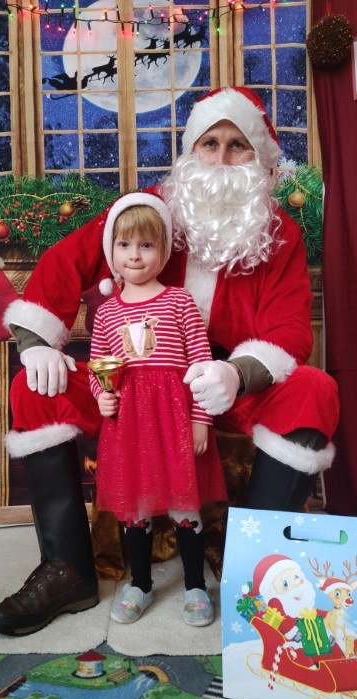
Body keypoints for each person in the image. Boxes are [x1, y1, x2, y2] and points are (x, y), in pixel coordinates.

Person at [0, 85, 340, 637]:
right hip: (132, 391)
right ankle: (67, 569)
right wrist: (35, 343)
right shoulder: (148, 212)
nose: (221, 159)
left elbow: (290, 329)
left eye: (238, 146)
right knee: (33, 388)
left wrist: (237, 373)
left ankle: (259, 572)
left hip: (221, 393)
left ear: (261, 161)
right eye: (209, 144)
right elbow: (65, 261)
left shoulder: (279, 233)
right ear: (190, 151)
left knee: (313, 390)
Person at [89, 193, 227, 626]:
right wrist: (101, 396)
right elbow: (97, 368)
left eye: (146, 245)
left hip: (174, 422)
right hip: (129, 425)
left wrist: (201, 419)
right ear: (112, 251)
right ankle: (141, 584)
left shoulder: (180, 301)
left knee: (185, 507)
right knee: (135, 510)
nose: (135, 255)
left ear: (163, 251)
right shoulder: (106, 314)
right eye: (125, 245)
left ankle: (195, 586)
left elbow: (202, 365)